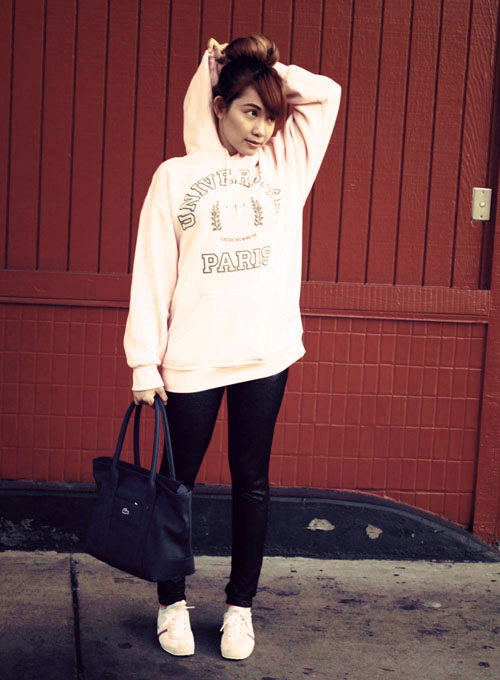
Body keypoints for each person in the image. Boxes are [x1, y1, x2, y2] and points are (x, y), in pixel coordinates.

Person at [123, 33, 341, 661]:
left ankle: (240, 609)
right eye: (249, 111)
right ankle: (171, 603)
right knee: (177, 486)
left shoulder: (285, 168)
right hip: (191, 359)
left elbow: (325, 95)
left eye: (271, 116)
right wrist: (143, 360)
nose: (263, 129)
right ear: (216, 105)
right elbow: (152, 271)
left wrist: (264, 67)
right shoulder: (175, 177)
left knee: (252, 482)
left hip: (264, 355)